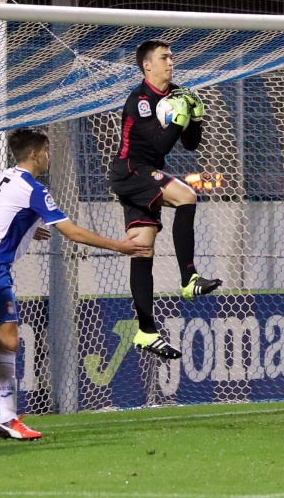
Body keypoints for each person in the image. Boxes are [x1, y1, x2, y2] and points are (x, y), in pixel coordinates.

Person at [0, 127, 149, 441]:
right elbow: (72, 232)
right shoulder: (33, 189)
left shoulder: (5, 177)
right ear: (34, 154)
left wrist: (26, 227)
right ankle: (7, 420)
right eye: (46, 151)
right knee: (8, 343)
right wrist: (119, 246)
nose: (48, 157)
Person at [108, 39, 222, 360]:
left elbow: (190, 144)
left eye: (171, 57)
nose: (171, 62)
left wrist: (195, 118)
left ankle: (146, 331)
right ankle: (189, 278)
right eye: (164, 58)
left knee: (142, 248)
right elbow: (160, 145)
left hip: (144, 176)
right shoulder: (139, 100)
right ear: (147, 66)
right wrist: (179, 119)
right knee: (187, 195)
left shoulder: (177, 94)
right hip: (132, 171)